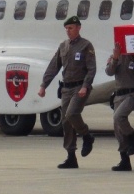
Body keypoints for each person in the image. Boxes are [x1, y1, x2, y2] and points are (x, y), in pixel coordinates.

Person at [38, 16, 97, 169]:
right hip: (66, 88)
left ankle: (86, 135)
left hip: (80, 87)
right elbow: (54, 66)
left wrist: (85, 86)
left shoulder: (86, 45)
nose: (68, 31)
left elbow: (91, 69)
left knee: (72, 114)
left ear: (78, 28)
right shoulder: (63, 46)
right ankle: (71, 156)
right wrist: (44, 84)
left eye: (71, 28)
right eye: (66, 28)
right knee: (65, 121)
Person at [105, 42, 134, 171]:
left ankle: (133, 139)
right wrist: (115, 58)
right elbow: (109, 72)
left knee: (119, 116)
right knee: (117, 127)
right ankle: (124, 159)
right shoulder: (116, 56)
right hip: (119, 94)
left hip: (133, 93)